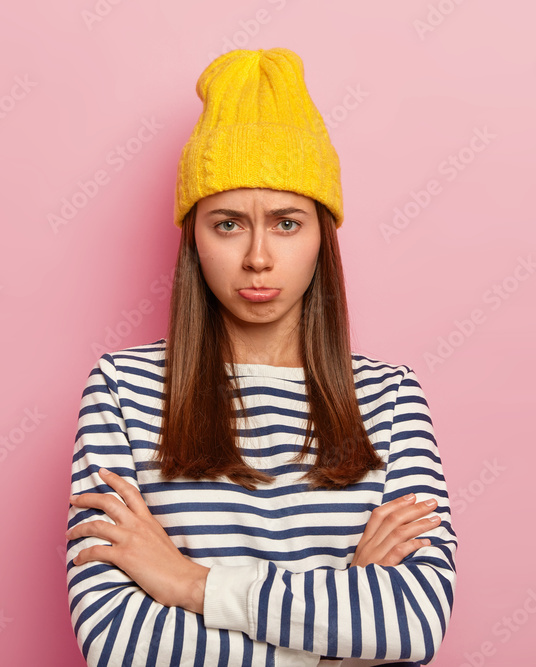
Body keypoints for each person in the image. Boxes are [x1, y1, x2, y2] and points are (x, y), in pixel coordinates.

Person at [64, 48, 457, 667]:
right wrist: (342, 638)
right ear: (193, 236)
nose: (257, 257)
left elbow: (413, 622)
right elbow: (118, 640)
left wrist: (189, 583)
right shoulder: (123, 389)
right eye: (227, 224)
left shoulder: (389, 397)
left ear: (322, 234)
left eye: (286, 222)